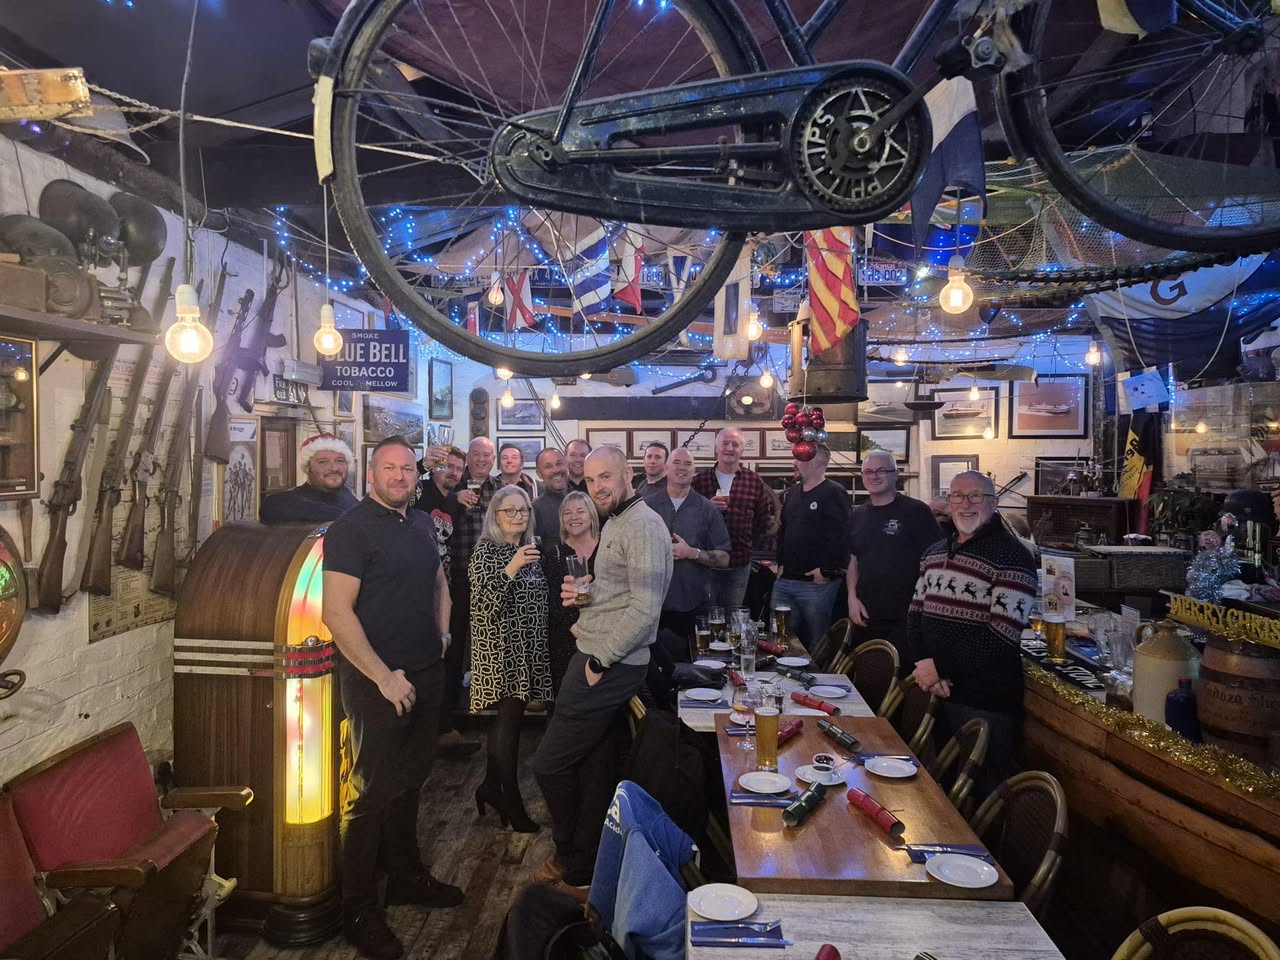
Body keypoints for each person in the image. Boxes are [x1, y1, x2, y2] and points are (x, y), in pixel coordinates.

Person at [321, 436, 464, 960]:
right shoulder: (351, 529)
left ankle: (404, 876)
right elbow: (336, 612)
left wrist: (443, 634)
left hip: (426, 673)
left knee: (411, 781)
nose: (401, 476)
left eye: (407, 468)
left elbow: (440, 584)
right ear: (371, 474)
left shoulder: (422, 522)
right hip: (377, 681)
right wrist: (384, 677)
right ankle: (357, 908)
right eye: (390, 468)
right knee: (368, 794)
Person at [532, 446, 672, 891]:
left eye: (606, 477)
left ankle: (568, 853)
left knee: (548, 765)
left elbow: (646, 609)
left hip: (608, 663)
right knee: (594, 770)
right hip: (597, 653)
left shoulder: (643, 525)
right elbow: (620, 593)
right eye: (591, 480)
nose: (597, 488)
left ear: (628, 473)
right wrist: (585, 596)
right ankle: (585, 865)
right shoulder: (616, 520)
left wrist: (599, 660)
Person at [909, 471, 1037, 798]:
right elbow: (915, 614)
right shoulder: (934, 553)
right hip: (939, 691)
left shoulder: (1014, 557)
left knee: (983, 795)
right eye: (957, 496)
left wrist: (939, 668)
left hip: (985, 699)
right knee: (942, 788)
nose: (965, 504)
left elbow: (1002, 634)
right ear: (948, 502)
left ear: (994, 503)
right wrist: (925, 663)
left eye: (975, 496)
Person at [469, 485, 551, 834]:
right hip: (501, 652)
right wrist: (512, 567)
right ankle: (511, 801)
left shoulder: (530, 548)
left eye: (524, 510)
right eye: (510, 511)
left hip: (528, 650)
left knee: (508, 723)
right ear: (496, 515)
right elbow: (484, 607)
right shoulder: (486, 552)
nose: (519, 516)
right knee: (508, 726)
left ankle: (490, 787)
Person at [847, 449, 943, 670]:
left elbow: (935, 562)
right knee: (868, 676)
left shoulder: (917, 511)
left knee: (901, 677)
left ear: (895, 474)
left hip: (906, 616)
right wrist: (852, 597)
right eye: (868, 471)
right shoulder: (857, 515)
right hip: (866, 613)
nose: (874, 476)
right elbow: (852, 558)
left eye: (881, 470)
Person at [646, 447, 730, 659]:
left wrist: (692, 553)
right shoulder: (647, 506)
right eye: (676, 462)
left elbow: (724, 558)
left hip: (695, 605)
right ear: (666, 469)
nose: (682, 468)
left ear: (694, 472)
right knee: (656, 669)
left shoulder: (707, 509)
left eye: (688, 464)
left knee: (698, 665)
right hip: (653, 606)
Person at [773, 445, 850, 651]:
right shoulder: (792, 493)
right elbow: (784, 531)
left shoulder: (834, 492)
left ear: (815, 462)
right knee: (779, 638)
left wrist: (827, 571)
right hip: (785, 582)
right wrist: (780, 563)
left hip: (817, 585)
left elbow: (842, 535)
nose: (794, 463)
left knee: (819, 642)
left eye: (799, 459)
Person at [691, 428, 776, 610]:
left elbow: (763, 522)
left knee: (733, 614)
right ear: (716, 448)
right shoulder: (699, 481)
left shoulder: (754, 481)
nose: (730, 448)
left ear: (742, 450)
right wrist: (707, 508)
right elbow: (688, 520)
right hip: (706, 564)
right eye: (725, 444)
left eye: (735, 444)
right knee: (707, 615)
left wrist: (746, 544)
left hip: (739, 564)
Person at [541, 491, 599, 695]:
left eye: (580, 511)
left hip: (605, 635)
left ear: (592, 515)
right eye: (567, 513)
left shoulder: (608, 549)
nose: (574, 517)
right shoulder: (555, 555)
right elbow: (551, 601)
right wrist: (576, 630)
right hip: (567, 639)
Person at [260, 432, 359, 523]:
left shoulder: (347, 496)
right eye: (323, 462)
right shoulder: (285, 503)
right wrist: (347, 518)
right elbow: (271, 506)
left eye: (340, 461)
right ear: (307, 467)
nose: (334, 468)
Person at [532, 448, 570, 549]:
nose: (556, 470)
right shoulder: (536, 509)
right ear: (539, 474)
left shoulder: (585, 499)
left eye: (559, 464)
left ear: (566, 465)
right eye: (548, 467)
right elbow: (535, 548)